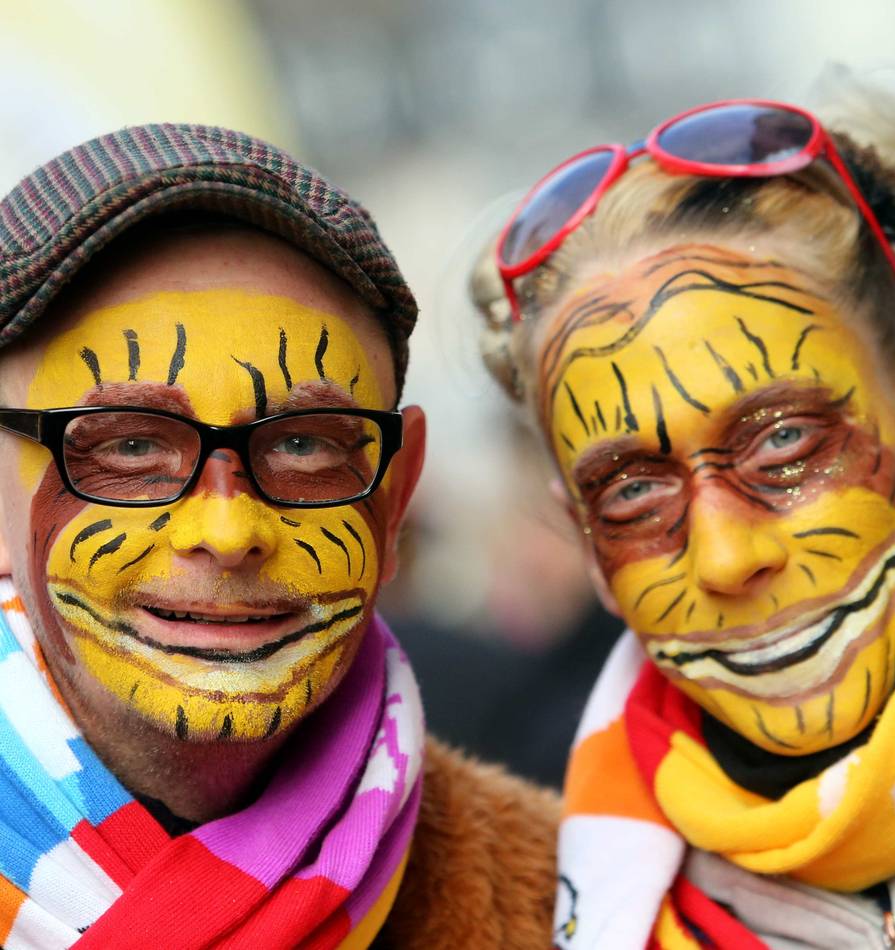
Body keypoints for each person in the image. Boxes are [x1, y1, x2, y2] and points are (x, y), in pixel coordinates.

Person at [0, 124, 558, 948]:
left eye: (304, 444)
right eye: (129, 444)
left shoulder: (570, 906)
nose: (227, 531)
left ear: (396, 497)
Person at [470, 72, 895, 948]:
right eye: (634, 492)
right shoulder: (523, 902)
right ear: (587, 548)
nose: (726, 556)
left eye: (784, 445)